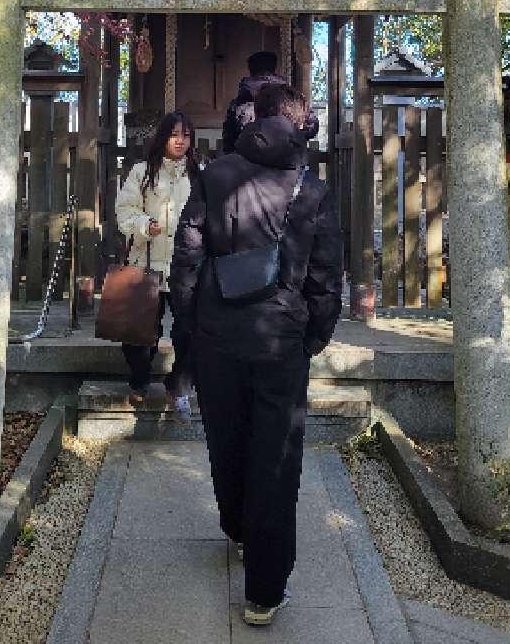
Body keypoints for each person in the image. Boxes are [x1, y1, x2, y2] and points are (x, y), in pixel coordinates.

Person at [171, 83, 342, 626]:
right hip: (280, 340)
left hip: (219, 336)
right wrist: (312, 336)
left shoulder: (214, 175)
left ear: (256, 119)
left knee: (226, 436)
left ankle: (238, 529)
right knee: (276, 456)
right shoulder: (311, 188)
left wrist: (188, 328)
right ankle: (264, 592)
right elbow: (325, 279)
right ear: (299, 126)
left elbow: (187, 260)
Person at [116, 111, 199, 418]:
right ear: (163, 137)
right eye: (175, 134)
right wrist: (143, 224)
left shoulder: (197, 173)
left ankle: (178, 385)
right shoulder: (142, 172)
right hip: (146, 261)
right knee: (139, 334)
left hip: (185, 265)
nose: (181, 141)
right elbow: (124, 210)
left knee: (190, 330)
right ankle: (138, 380)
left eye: (186, 135)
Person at [222, 50, 319, 153]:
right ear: (274, 68)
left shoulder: (240, 102)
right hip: (286, 162)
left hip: (250, 162)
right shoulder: (291, 97)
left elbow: (229, 141)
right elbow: (312, 126)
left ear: (251, 70)